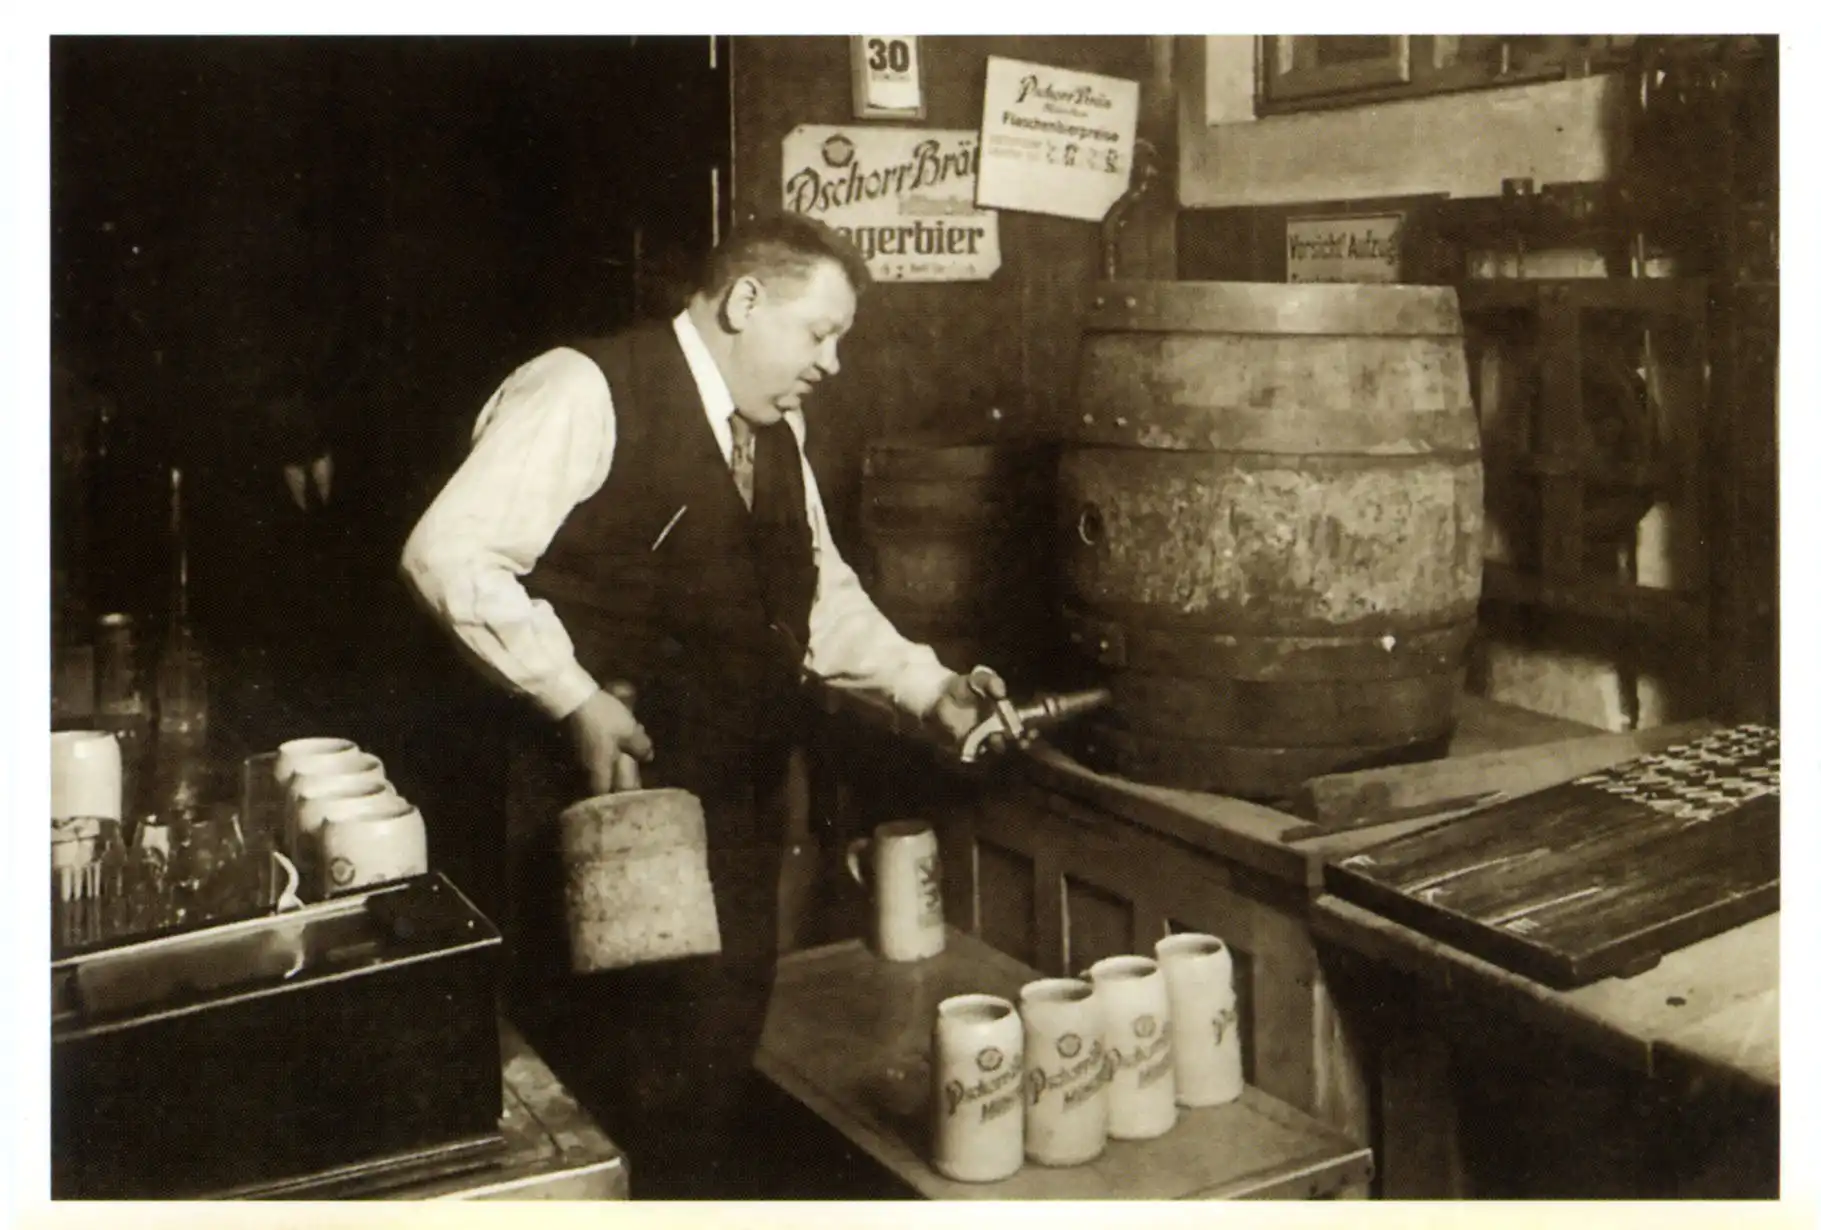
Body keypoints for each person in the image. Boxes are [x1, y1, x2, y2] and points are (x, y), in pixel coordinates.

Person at [400, 213, 1007, 1198]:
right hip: (601, 817)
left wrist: (926, 685)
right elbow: (449, 553)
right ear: (744, 301)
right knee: (601, 1089)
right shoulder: (584, 388)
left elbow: (818, 597)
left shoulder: (775, 431)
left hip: (735, 814)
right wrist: (574, 696)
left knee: (704, 1079)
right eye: (820, 334)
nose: (833, 363)